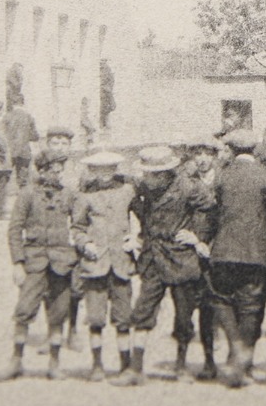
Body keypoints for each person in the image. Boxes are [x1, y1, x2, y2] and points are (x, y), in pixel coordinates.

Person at [205, 129, 266, 388]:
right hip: (257, 254)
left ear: (231, 150)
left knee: (221, 299)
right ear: (254, 151)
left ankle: (235, 347)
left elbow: (213, 214)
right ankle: (244, 360)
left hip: (225, 252)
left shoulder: (222, 176)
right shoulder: (264, 176)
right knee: (251, 307)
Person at [126, 145, 214, 386]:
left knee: (184, 315)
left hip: (181, 258)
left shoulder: (188, 186)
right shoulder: (142, 188)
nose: (148, 178)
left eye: (154, 174)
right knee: (142, 310)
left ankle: (181, 365)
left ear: (167, 172)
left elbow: (210, 209)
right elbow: (130, 209)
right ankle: (135, 369)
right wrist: (134, 235)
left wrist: (197, 235)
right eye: (146, 173)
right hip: (153, 256)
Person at [0, 146, 80, 382]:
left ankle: (54, 364)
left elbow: (80, 224)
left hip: (62, 264)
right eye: (54, 170)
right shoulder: (27, 195)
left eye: (61, 170)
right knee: (23, 312)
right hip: (34, 263)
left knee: (58, 315)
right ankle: (16, 361)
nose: (58, 175)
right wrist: (17, 263)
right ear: (41, 171)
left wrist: (75, 250)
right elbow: (14, 229)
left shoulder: (69, 194)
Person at [70, 150, 139, 383]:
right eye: (99, 169)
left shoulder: (128, 192)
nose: (105, 173)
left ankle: (125, 365)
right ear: (92, 171)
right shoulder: (84, 196)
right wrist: (85, 243)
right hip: (95, 264)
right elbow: (77, 228)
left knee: (123, 318)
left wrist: (137, 238)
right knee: (96, 318)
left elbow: (145, 216)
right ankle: (97, 364)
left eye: (110, 168)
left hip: (120, 263)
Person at [175, 137, 222, 380]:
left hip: (214, 253)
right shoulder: (185, 183)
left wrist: (209, 245)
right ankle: (180, 361)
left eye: (207, 154)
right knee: (183, 308)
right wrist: (192, 239)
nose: (202, 159)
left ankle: (210, 362)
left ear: (215, 156)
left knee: (210, 309)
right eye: (198, 154)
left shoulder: (224, 182)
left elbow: (228, 221)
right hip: (188, 252)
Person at [3, 96, 40, 196]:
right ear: (23, 103)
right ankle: (22, 197)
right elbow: (35, 136)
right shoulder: (29, 117)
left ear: (13, 104)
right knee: (23, 178)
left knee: (5, 175)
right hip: (24, 151)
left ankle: (4, 195)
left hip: (10, 150)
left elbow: (2, 134)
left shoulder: (7, 116)